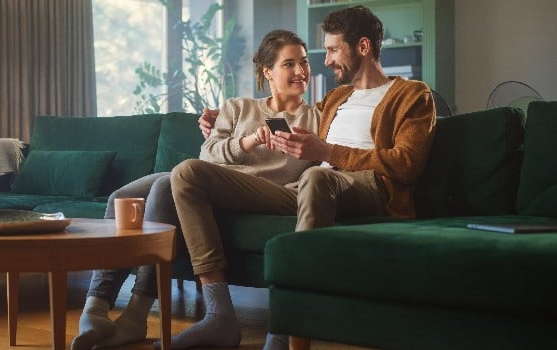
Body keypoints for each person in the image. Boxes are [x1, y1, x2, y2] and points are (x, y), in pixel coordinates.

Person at [166, 5, 436, 350]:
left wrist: (326, 154)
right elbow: (287, 107)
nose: (325, 60)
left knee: (317, 178)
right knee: (187, 173)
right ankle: (219, 315)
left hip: (368, 187)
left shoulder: (413, 95)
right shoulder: (337, 98)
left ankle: (285, 328)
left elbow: (406, 163)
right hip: (307, 188)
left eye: (334, 49)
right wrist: (219, 118)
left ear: (364, 48)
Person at [71, 29, 321, 350]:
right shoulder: (238, 107)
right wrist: (249, 140)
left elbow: (320, 163)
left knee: (171, 182)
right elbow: (208, 153)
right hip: (211, 178)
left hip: (254, 190)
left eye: (304, 62)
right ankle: (97, 306)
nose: (300, 71)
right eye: (289, 64)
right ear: (267, 71)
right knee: (123, 197)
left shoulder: (316, 118)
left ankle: (137, 313)